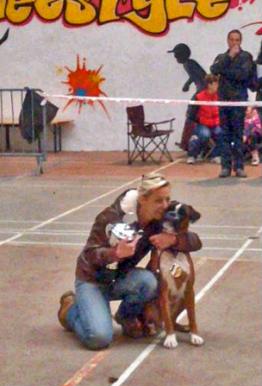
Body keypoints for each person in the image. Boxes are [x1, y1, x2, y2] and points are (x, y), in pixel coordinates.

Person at [57, 173, 202, 350]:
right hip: (92, 281)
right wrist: (115, 253)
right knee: (99, 338)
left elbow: (195, 241)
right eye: (159, 201)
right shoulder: (111, 218)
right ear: (142, 199)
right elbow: (89, 255)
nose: (165, 206)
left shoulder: (159, 219)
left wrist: (173, 241)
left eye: (167, 199)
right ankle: (70, 310)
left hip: (120, 278)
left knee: (149, 281)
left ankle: (126, 317)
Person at [210, 29, 255, 178]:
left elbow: (242, 75)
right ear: (227, 41)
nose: (234, 42)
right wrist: (229, 58)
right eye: (231, 39)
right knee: (224, 135)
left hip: (238, 101)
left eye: (237, 40)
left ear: (240, 41)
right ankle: (225, 167)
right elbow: (214, 70)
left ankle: (239, 167)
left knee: (237, 135)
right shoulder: (222, 57)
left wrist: (225, 71)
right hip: (223, 100)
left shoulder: (246, 56)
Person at [186, 74, 222, 164]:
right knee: (204, 134)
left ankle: (215, 155)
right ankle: (192, 155)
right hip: (202, 124)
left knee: (222, 133)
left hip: (215, 124)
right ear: (209, 85)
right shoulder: (198, 97)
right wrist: (199, 121)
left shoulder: (220, 96)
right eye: (215, 84)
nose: (217, 86)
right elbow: (191, 114)